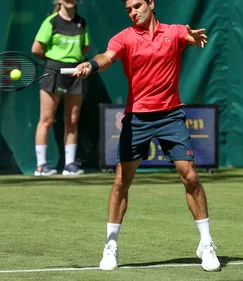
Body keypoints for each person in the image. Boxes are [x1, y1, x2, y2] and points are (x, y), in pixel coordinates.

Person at [73, 0, 221, 272]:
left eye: (137, 5)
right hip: (137, 118)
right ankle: (111, 245)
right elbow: (108, 57)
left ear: (151, 4)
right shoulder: (125, 37)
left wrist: (192, 37)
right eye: (128, 9)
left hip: (170, 116)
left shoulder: (174, 31)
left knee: (190, 175)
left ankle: (207, 243)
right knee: (121, 180)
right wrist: (92, 65)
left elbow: (187, 36)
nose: (133, 12)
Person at [31, 0, 89, 176]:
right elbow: (37, 49)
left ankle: (70, 165)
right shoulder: (51, 22)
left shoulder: (81, 22)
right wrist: (54, 62)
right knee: (46, 120)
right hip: (54, 71)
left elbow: (85, 48)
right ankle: (41, 166)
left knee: (72, 120)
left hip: (75, 71)